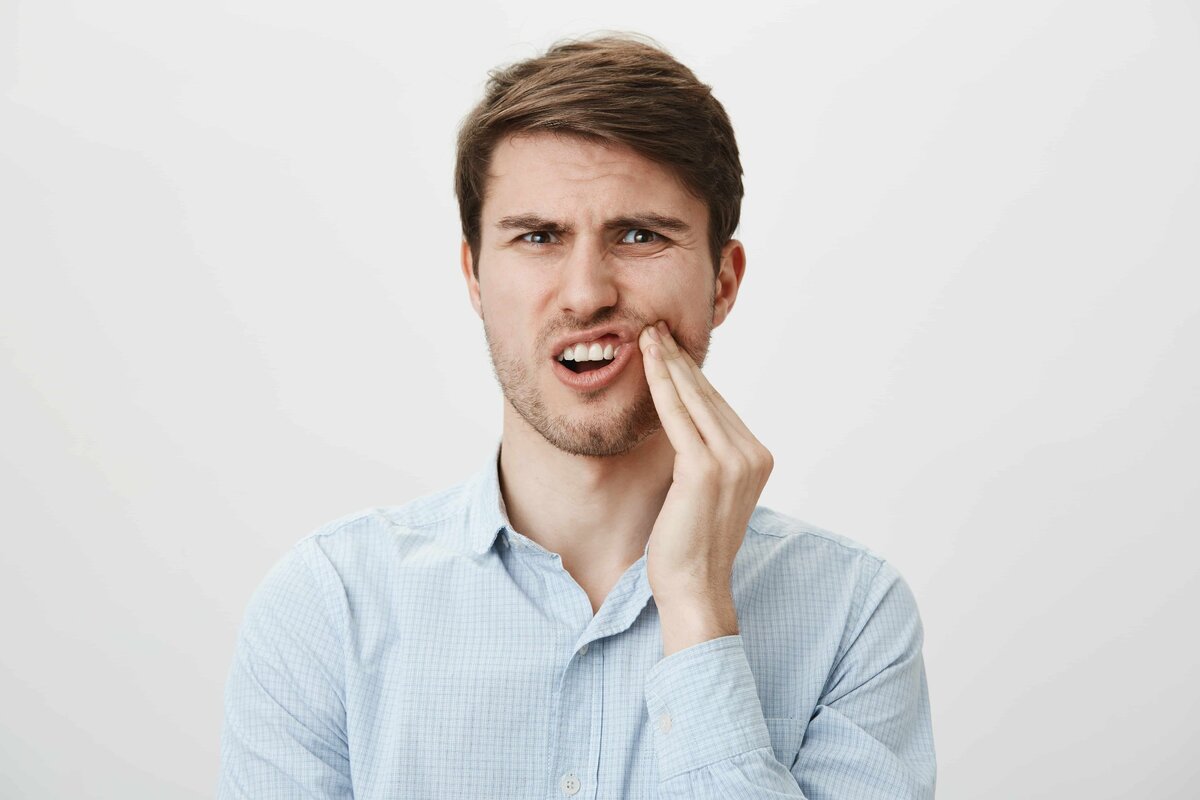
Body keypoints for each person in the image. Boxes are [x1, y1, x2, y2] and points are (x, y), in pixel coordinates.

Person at [217, 32, 936, 799]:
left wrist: (695, 607)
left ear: (723, 283)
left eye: (639, 235)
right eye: (538, 237)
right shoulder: (330, 605)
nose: (587, 294)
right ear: (474, 276)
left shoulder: (853, 615)